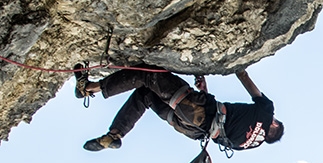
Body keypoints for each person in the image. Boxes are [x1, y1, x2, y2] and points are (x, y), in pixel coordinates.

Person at [74, 64, 284, 154]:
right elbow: (218, 129)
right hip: (191, 128)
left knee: (149, 74)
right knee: (145, 94)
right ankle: (115, 134)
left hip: (197, 110)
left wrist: (238, 64)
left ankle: (88, 87)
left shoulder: (267, 112)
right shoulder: (247, 145)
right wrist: (205, 91)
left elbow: (245, 79)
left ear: (274, 123)